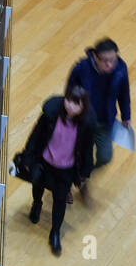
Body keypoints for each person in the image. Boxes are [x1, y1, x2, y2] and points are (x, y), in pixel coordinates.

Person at [17, 86, 96, 256]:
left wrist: (84, 173)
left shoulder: (86, 126)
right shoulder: (51, 113)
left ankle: (55, 232)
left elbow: (87, 150)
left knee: (60, 200)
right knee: (37, 186)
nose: (70, 106)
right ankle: (36, 204)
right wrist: (28, 157)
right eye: (68, 100)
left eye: (76, 104)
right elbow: (35, 136)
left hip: (66, 169)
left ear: (83, 107)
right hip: (45, 162)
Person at [65, 38, 131, 188]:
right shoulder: (81, 69)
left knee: (105, 157)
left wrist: (126, 116)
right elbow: (69, 94)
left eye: (113, 60)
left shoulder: (120, 68)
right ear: (95, 56)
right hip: (82, 122)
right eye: (105, 61)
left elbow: (124, 93)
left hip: (104, 122)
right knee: (77, 155)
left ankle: (84, 174)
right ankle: (76, 180)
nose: (110, 65)